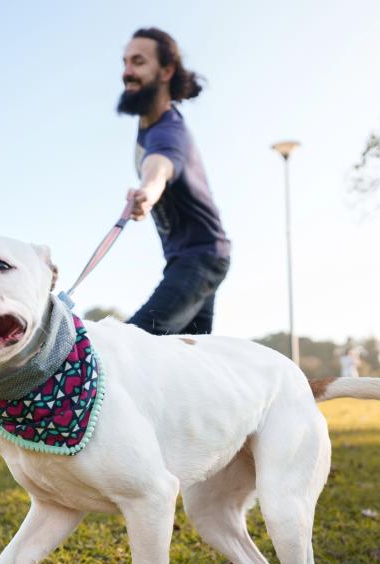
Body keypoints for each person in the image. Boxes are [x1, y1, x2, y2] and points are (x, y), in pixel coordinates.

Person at [119, 27, 231, 335]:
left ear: (166, 70)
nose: (127, 72)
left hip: (201, 257)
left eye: (138, 62)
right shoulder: (150, 125)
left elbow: (162, 165)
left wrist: (149, 192)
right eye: (125, 62)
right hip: (191, 258)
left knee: (134, 342)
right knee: (190, 359)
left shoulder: (169, 130)